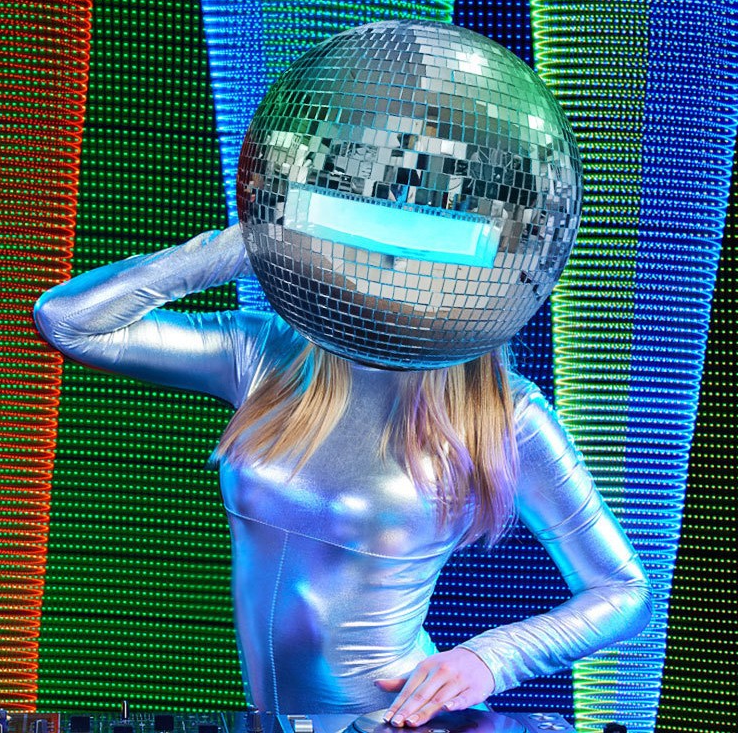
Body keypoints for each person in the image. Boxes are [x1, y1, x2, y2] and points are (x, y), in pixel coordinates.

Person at [33, 223, 652, 723]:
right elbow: (68, 320)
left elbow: (624, 592)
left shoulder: (505, 411)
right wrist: (251, 244)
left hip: (395, 719)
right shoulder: (269, 353)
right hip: (272, 721)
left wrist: (491, 660)